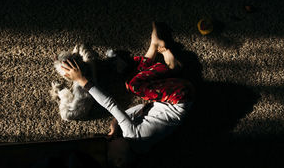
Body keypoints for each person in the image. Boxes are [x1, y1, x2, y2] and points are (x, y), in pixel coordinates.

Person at [61, 22, 195, 167]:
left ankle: (154, 46)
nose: (110, 141)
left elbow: (137, 110)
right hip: (179, 94)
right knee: (133, 85)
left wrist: (114, 124)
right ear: (119, 160)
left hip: (180, 97)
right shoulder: (131, 134)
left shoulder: (141, 148)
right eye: (109, 148)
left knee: (132, 80)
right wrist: (81, 80)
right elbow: (110, 104)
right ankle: (171, 67)